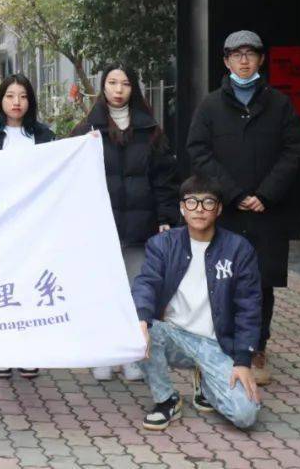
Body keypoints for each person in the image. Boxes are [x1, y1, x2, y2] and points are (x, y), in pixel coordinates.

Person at [185, 31, 300, 385]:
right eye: (236, 54)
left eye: (250, 53)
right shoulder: (210, 106)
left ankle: (256, 347)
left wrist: (265, 194)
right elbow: (199, 151)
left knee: (261, 282)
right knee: (220, 276)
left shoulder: (279, 105)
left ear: (261, 59)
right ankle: (220, 343)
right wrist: (233, 193)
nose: (243, 60)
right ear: (225, 61)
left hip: (265, 213)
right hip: (226, 211)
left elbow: (294, 150)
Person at [71, 63, 179, 382]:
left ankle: (133, 354)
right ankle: (103, 352)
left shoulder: (152, 131)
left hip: (140, 227)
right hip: (100, 227)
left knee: (137, 292)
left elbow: (165, 180)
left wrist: (164, 218)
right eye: (112, 83)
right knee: (102, 290)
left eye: (126, 84)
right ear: (103, 87)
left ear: (134, 89)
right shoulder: (84, 132)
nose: (119, 90)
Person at [131, 175, 262, 431]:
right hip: (174, 336)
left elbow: (249, 307)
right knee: (134, 331)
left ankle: (206, 384)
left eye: (208, 202)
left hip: (217, 343)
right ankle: (166, 399)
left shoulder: (239, 249)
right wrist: (141, 319)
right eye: (191, 202)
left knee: (245, 415)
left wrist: (243, 362)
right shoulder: (163, 244)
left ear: (219, 208)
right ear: (182, 207)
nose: (199, 209)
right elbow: (146, 282)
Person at [0, 73, 55, 379]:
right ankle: (2, 350)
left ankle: (29, 351)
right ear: (0, 101)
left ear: (30, 100)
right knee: (1, 287)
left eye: (22, 96)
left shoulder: (44, 136)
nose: (16, 102)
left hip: (34, 226)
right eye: (10, 96)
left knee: (30, 286)